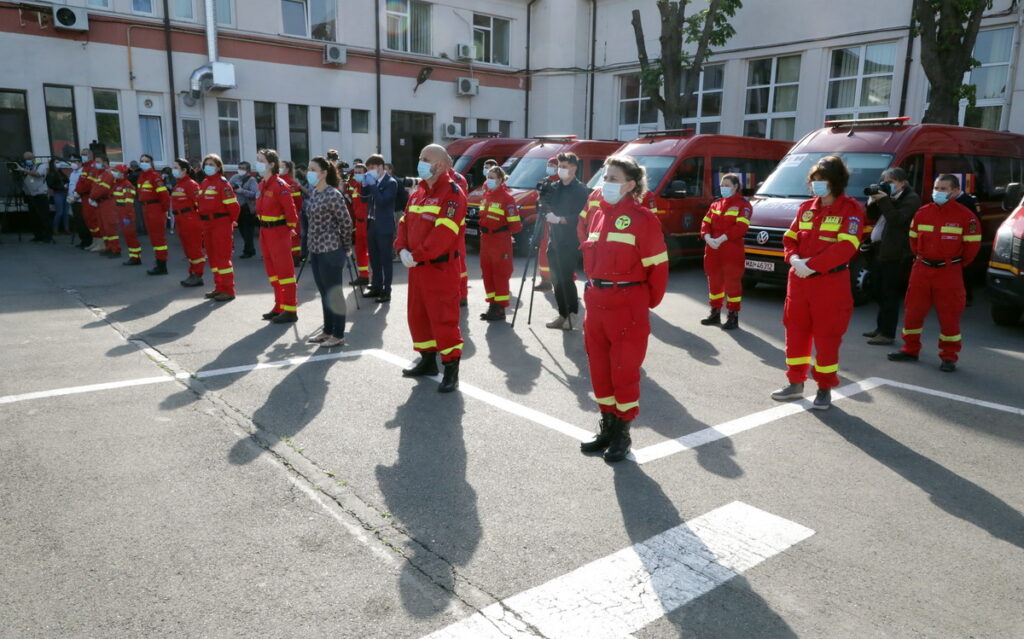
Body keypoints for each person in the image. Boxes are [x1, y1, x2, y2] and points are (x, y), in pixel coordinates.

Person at [576, 155, 669, 462]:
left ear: (630, 185)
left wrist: (641, 302)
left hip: (627, 304)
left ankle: (622, 434)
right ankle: (607, 426)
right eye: (605, 178)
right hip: (596, 302)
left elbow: (657, 268)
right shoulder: (599, 214)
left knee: (624, 371)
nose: (606, 184)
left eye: (613, 179)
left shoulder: (644, 219)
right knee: (600, 369)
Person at [771, 156, 863, 410]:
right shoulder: (806, 208)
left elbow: (846, 247)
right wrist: (795, 260)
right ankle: (795, 383)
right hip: (799, 282)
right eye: (814, 181)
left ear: (836, 182)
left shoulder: (851, 210)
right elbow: (790, 239)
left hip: (829, 284)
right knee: (796, 332)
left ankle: (824, 388)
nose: (816, 185)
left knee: (827, 337)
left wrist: (812, 266)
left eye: (821, 181)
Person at [888, 174, 982, 372]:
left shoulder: (966, 216)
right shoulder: (922, 213)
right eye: (937, 187)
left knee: (949, 316)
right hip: (921, 269)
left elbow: (972, 248)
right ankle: (910, 349)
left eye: (944, 189)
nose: (938, 192)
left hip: (949, 271)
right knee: (913, 312)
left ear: (955, 191)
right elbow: (913, 241)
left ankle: (949, 356)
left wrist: (954, 264)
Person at [395, 143, 467, 393]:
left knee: (443, 320)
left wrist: (417, 254)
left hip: (439, 269)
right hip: (417, 268)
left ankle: (450, 369)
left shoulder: (453, 193)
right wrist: (401, 248)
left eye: (426, 158)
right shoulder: (418, 192)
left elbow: (444, 234)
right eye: (420, 157)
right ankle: (427, 361)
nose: (421, 162)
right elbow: (404, 221)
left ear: (441, 165)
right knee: (418, 316)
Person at [862, 168, 921, 345]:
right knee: (876, 289)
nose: (887, 186)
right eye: (885, 182)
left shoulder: (911, 199)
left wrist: (885, 200)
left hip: (896, 253)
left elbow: (897, 221)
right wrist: (873, 200)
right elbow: (871, 216)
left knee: (889, 293)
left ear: (902, 182)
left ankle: (887, 334)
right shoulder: (888, 196)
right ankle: (880, 328)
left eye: (890, 182)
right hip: (879, 249)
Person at [305, 156, 353, 348]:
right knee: (324, 292)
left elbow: (346, 222)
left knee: (334, 293)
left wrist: (347, 247)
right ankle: (327, 330)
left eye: (312, 169)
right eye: (308, 169)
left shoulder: (333, 194)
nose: (309, 172)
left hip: (331, 249)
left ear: (324, 173)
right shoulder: (315, 191)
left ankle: (339, 334)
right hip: (315, 249)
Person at [542, 152, 589, 330]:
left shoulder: (580, 190)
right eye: (559, 166)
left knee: (566, 279)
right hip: (555, 239)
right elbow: (545, 204)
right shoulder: (555, 187)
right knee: (555, 279)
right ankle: (562, 313)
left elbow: (582, 216)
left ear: (574, 168)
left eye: (564, 166)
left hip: (570, 241)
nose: (561, 169)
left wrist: (561, 219)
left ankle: (573, 313)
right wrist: (543, 200)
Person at [700, 173, 751, 330]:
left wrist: (722, 238)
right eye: (722, 185)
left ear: (736, 186)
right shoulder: (716, 204)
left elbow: (741, 227)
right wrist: (707, 237)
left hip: (731, 250)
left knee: (732, 283)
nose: (723, 188)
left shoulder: (744, 205)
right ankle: (715, 313)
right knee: (714, 282)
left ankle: (732, 316)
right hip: (713, 249)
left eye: (727, 185)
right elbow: (705, 222)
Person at [255, 148, 300, 323]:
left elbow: (291, 212)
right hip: (264, 231)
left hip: (278, 231)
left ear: (271, 164)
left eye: (261, 160)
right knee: (272, 271)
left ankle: (290, 309)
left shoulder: (280, 185)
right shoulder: (261, 184)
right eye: (257, 159)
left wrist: (289, 230)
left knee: (285, 271)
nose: (257, 163)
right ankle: (279, 306)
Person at [477, 166, 522, 321]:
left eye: (492, 177)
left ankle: (500, 308)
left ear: (501, 180)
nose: (489, 180)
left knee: (500, 274)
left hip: (500, 241)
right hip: (486, 240)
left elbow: (515, 225)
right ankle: (492, 304)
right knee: (487, 273)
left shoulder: (507, 199)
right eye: (488, 177)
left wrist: (507, 235)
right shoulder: (486, 196)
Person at [196, 154, 240, 302]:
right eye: (206, 164)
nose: (208, 167)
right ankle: (219, 287)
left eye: (211, 164)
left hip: (221, 223)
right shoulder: (204, 182)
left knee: (222, 257)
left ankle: (228, 290)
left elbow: (233, 206)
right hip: (207, 224)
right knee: (213, 258)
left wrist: (232, 221)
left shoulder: (223, 184)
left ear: (219, 167)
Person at [362, 154, 398, 303]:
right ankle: (376, 285)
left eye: (372, 168)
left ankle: (386, 290)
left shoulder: (391, 182)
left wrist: (372, 185)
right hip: (372, 223)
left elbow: (382, 201)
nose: (370, 171)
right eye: (368, 168)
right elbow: (363, 199)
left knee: (385, 259)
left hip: (384, 226)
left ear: (381, 167)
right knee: (374, 258)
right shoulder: (373, 182)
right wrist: (364, 185)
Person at [168, 159, 204, 287]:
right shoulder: (178, 185)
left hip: (190, 219)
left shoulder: (191, 184)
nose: (173, 170)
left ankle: (198, 275)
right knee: (188, 249)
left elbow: (200, 203)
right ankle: (192, 273)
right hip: (180, 220)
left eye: (176, 167)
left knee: (194, 249)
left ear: (184, 170)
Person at [136, 154, 171, 275]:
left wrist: (164, 211)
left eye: (146, 161)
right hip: (146, 208)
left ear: (151, 163)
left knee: (158, 238)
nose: (144, 163)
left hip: (155, 209)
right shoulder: (141, 177)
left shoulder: (155, 177)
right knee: (153, 238)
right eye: (142, 161)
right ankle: (159, 262)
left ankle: (162, 265)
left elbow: (164, 196)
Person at [88, 153, 121, 257]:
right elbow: (94, 187)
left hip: (108, 202)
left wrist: (93, 197)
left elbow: (103, 189)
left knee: (109, 226)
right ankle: (108, 247)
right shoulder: (100, 173)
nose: (95, 164)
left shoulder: (109, 173)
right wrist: (92, 197)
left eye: (98, 162)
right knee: (103, 227)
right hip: (100, 202)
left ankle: (115, 249)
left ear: (105, 163)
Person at [17, 152, 52, 244]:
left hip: (40, 195)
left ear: (33, 158)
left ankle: (48, 236)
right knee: (34, 217)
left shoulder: (41, 165)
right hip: (30, 195)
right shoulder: (26, 167)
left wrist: (23, 170)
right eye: (25, 159)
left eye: (28, 158)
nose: (27, 161)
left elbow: (38, 174)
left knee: (44, 216)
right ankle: (38, 235)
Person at [110, 163, 142, 265]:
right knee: (127, 237)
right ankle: (133, 256)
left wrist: (128, 217)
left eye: (116, 171)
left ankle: (136, 257)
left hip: (126, 215)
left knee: (130, 236)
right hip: (120, 214)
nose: (113, 173)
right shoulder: (117, 184)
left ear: (122, 173)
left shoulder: (127, 185)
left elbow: (128, 204)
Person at [346, 163, 372, 286]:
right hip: (358, 223)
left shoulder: (368, 186)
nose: (357, 175)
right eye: (355, 173)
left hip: (368, 222)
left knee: (371, 251)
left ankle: (376, 279)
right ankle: (363, 276)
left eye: (359, 172)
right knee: (359, 250)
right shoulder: (355, 186)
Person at [229, 161, 259, 258]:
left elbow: (255, 194)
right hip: (237, 208)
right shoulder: (234, 177)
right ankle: (249, 249)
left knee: (248, 231)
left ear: (248, 170)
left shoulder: (251, 180)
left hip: (246, 208)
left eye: (243, 168)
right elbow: (227, 187)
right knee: (242, 230)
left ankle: (249, 251)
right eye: (240, 167)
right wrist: (232, 188)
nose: (241, 170)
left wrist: (242, 191)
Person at [280, 160, 304, 265]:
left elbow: (298, 201)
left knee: (294, 237)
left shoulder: (291, 183)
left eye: (282, 166)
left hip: (291, 214)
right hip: (280, 215)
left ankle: (295, 257)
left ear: (287, 169)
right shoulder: (277, 181)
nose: (279, 168)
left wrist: (295, 213)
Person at [67, 157, 91, 248]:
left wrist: (76, 196)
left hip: (80, 200)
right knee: (78, 222)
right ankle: (83, 240)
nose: (73, 163)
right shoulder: (72, 173)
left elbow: (84, 186)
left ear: (80, 162)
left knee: (83, 222)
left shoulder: (83, 172)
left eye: (75, 161)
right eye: (71, 161)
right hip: (73, 200)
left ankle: (87, 241)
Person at [46, 157, 70, 236]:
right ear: (52, 164)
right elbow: (50, 184)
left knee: (66, 212)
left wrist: (66, 185)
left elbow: (67, 180)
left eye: (58, 162)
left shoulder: (60, 172)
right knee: (59, 212)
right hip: (58, 193)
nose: (58, 164)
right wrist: (61, 187)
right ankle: (55, 229)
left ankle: (66, 228)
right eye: (56, 162)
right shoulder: (51, 174)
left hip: (65, 193)